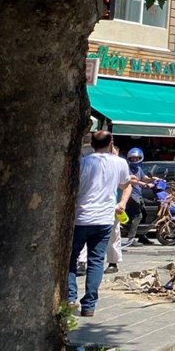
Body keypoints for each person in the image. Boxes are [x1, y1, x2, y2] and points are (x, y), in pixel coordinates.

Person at [69, 131, 132, 316]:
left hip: (80, 217)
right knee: (96, 261)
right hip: (104, 219)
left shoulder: (82, 162)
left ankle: (70, 297)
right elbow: (127, 184)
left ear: (91, 144)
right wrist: (122, 203)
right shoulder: (120, 162)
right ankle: (89, 305)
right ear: (111, 142)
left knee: (70, 259)